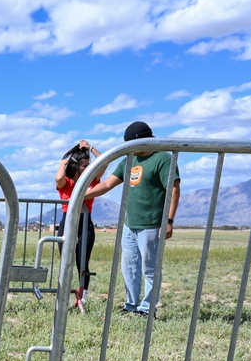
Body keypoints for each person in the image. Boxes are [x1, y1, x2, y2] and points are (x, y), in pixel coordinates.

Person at [84, 121, 180, 316]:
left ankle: (147, 309)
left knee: (150, 269)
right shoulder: (129, 160)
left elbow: (174, 190)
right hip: (130, 225)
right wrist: (81, 196)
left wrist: (168, 221)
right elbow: (109, 184)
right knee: (129, 268)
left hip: (152, 224)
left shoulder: (162, 159)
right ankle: (131, 305)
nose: (130, 149)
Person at [54, 139, 105, 309]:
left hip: (86, 224)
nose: (88, 168)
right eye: (84, 165)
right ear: (75, 166)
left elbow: (104, 160)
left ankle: (82, 297)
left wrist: (91, 148)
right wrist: (63, 163)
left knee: (83, 262)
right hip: (67, 222)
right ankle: (65, 296)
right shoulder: (66, 183)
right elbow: (58, 178)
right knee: (66, 261)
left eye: (89, 165)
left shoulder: (91, 181)